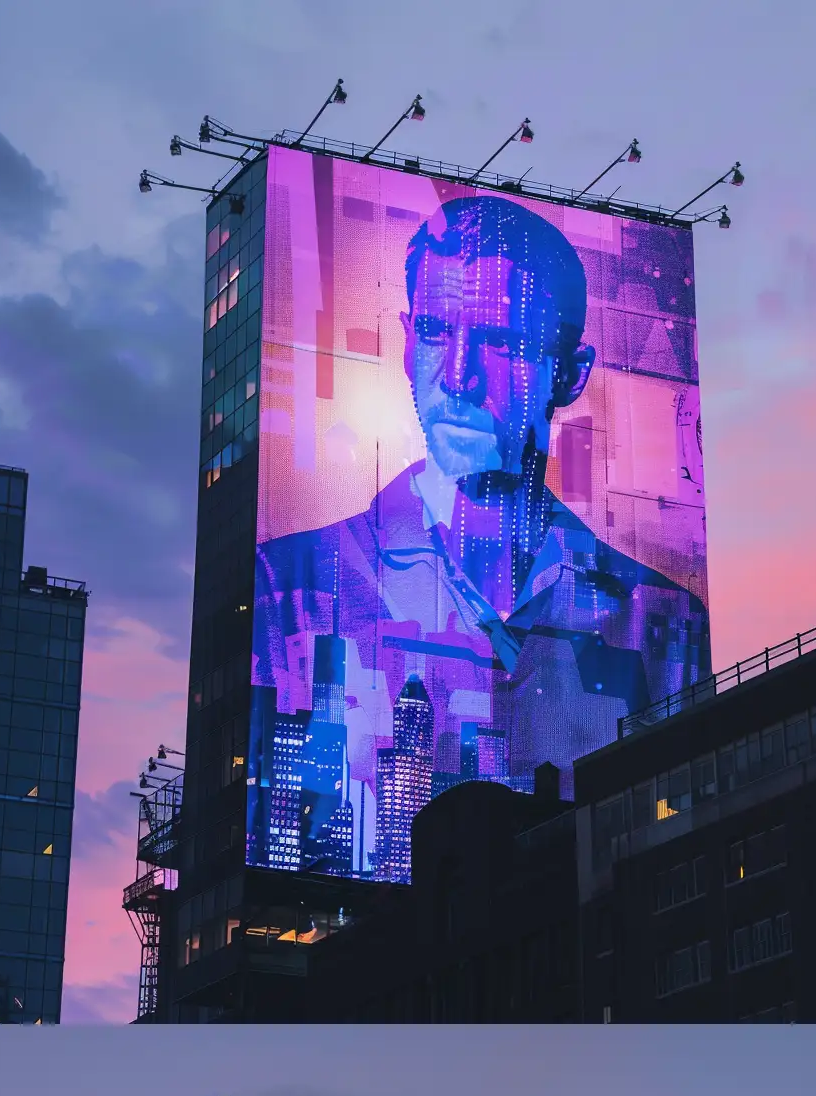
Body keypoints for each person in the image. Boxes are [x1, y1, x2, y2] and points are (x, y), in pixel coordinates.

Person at [253, 195, 708, 859]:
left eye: (499, 341)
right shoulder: (283, 589)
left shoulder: (665, 624)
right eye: (437, 332)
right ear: (408, 345)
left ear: (570, 375)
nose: (459, 376)